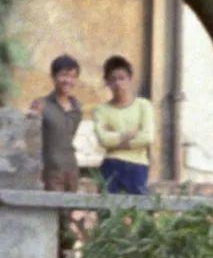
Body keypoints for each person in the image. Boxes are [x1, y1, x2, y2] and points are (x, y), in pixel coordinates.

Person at [91, 55, 154, 195]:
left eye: (122, 78)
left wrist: (116, 142)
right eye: (113, 79)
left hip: (138, 166)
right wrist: (128, 135)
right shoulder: (101, 110)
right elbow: (103, 139)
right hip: (111, 165)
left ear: (130, 79)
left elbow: (147, 138)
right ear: (106, 82)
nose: (118, 83)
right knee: (108, 211)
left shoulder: (143, 105)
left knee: (138, 212)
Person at [29, 54, 83, 191]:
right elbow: (30, 140)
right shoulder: (40, 105)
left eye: (72, 76)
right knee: (51, 211)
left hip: (71, 169)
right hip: (49, 170)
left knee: (69, 211)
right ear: (53, 76)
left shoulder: (77, 107)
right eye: (64, 75)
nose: (68, 80)